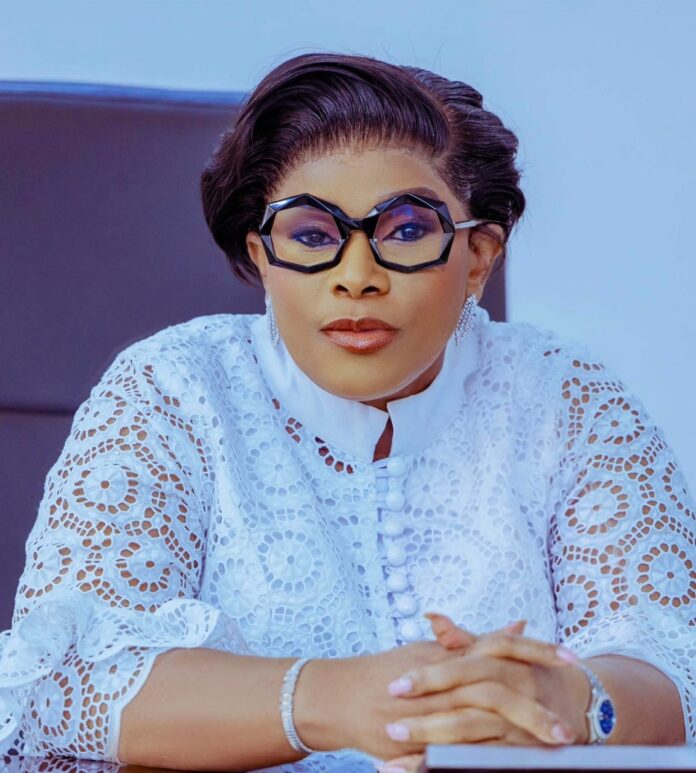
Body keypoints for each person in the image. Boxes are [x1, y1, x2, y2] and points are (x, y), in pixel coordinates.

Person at [0, 51, 693, 773]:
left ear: (479, 256)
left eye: (406, 230)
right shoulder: (174, 389)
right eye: (311, 235)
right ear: (262, 255)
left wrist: (573, 703)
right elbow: (58, 681)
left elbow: (672, 660)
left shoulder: (565, 396)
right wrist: (342, 700)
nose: (356, 277)